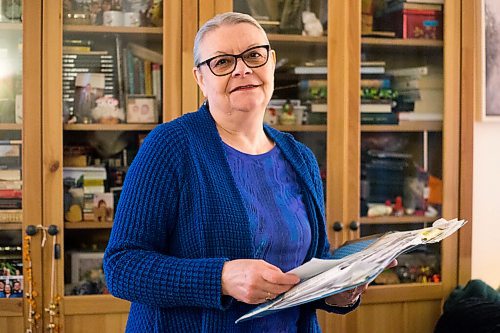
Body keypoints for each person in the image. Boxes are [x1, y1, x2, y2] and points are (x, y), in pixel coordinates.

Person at [104, 12, 392, 332]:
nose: (243, 69)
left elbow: (312, 265)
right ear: (201, 78)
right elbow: (121, 267)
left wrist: (338, 294)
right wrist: (223, 278)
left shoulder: (301, 158)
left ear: (271, 63)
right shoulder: (170, 146)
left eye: (254, 55)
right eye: (223, 62)